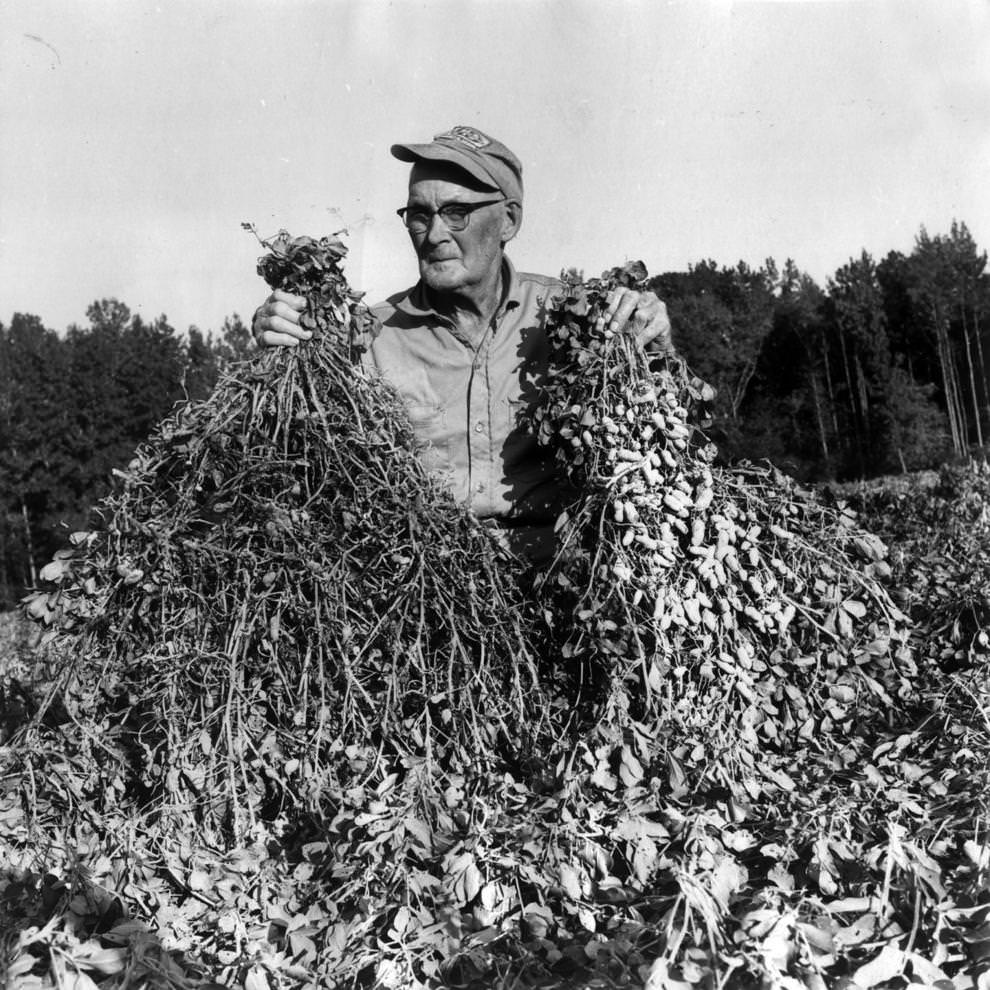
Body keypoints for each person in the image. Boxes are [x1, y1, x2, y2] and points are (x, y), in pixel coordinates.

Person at [253, 125, 673, 562]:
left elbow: (655, 431)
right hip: (427, 583)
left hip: (561, 572)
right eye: (419, 214)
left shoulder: (577, 320)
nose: (434, 234)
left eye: (456, 212)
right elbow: (296, 455)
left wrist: (652, 340)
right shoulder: (367, 336)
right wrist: (280, 343)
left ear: (509, 219)